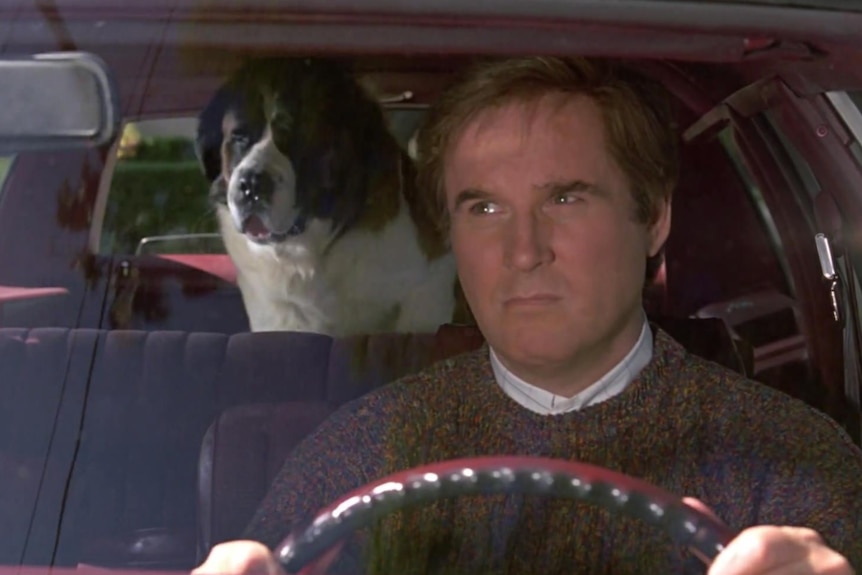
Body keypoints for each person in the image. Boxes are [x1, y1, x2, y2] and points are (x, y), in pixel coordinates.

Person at [193, 56, 861, 574]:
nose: (523, 250)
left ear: (654, 217)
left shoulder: (790, 457)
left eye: (566, 198)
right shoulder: (354, 448)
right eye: (483, 208)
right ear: (449, 233)